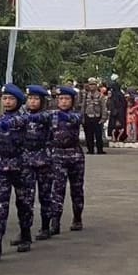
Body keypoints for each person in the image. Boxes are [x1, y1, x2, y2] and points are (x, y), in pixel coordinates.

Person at [0, 84, 30, 259]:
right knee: (0, 206)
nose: (7, 102)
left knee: (23, 203)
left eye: (11, 99)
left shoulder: (22, 118)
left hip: (21, 166)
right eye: (5, 98)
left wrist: (2, 123)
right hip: (2, 167)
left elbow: (13, 123)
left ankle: (25, 234)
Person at [49, 86, 85, 233]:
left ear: (72, 101)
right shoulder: (52, 116)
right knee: (57, 189)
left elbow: (73, 119)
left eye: (67, 99)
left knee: (76, 189)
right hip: (58, 155)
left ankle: (77, 218)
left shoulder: (76, 115)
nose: (63, 102)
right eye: (61, 99)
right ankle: (55, 222)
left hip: (75, 156)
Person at [23, 85, 54, 242]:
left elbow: (39, 119)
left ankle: (45, 226)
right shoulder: (22, 116)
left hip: (44, 160)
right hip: (27, 161)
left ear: (42, 101)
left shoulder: (46, 116)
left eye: (36, 99)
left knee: (45, 196)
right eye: (30, 99)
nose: (32, 102)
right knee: (26, 198)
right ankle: (25, 231)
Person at [80, 78, 107, 154]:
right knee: (88, 135)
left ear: (96, 86)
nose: (91, 86)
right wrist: (82, 117)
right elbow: (83, 106)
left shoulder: (100, 95)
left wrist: (103, 118)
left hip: (97, 117)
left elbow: (104, 107)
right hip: (88, 117)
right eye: (90, 84)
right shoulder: (86, 95)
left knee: (98, 135)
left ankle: (99, 150)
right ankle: (90, 150)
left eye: (93, 84)